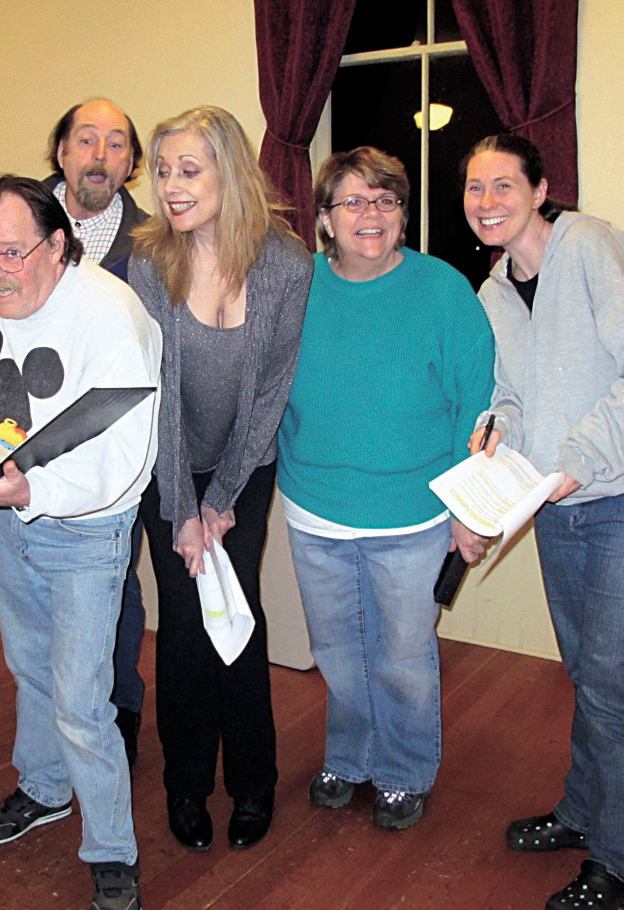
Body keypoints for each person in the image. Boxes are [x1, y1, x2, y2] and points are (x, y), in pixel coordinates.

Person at [0, 175, 161, 910]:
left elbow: (125, 451)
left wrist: (31, 490)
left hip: (88, 526)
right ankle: (44, 787)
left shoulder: (108, 313)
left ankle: (111, 848)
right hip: (14, 512)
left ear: (58, 246)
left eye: (11, 254)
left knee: (81, 698)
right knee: (29, 666)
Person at [277, 146, 494, 832]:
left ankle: (403, 769)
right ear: (325, 220)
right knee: (339, 652)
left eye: (386, 201)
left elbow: (478, 407)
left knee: (402, 655)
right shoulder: (295, 285)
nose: (370, 214)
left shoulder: (443, 290)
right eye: (353, 201)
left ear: (402, 214)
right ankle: (349, 756)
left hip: (413, 512)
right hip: (316, 507)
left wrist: (468, 508)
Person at [128, 105, 312, 852]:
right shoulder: (149, 260)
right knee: (182, 625)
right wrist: (184, 511)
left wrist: (224, 499)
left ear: (229, 173)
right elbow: (161, 396)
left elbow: (269, 396)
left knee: (238, 616)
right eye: (164, 170)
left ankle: (254, 783)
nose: (171, 186)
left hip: (244, 465)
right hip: (166, 467)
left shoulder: (287, 264)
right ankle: (185, 784)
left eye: (189, 170)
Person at [0, 99, 151, 765]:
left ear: (130, 163)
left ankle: (107, 728)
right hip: (22, 474)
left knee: (106, 621)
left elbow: (137, 386)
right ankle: (51, 772)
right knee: (39, 656)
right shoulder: (1, 250)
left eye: (117, 144)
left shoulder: (151, 248)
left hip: (112, 461)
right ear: (60, 151)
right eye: (85, 140)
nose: (100, 154)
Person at [462, 134, 624, 910]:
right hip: (555, 508)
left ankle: (616, 860)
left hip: (615, 495)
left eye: (502, 185)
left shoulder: (590, 246)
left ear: (541, 187)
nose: (486, 202)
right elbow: (517, 395)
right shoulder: (493, 290)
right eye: (473, 188)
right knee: (590, 678)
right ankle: (585, 809)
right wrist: (500, 426)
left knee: (612, 685)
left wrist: (583, 454)